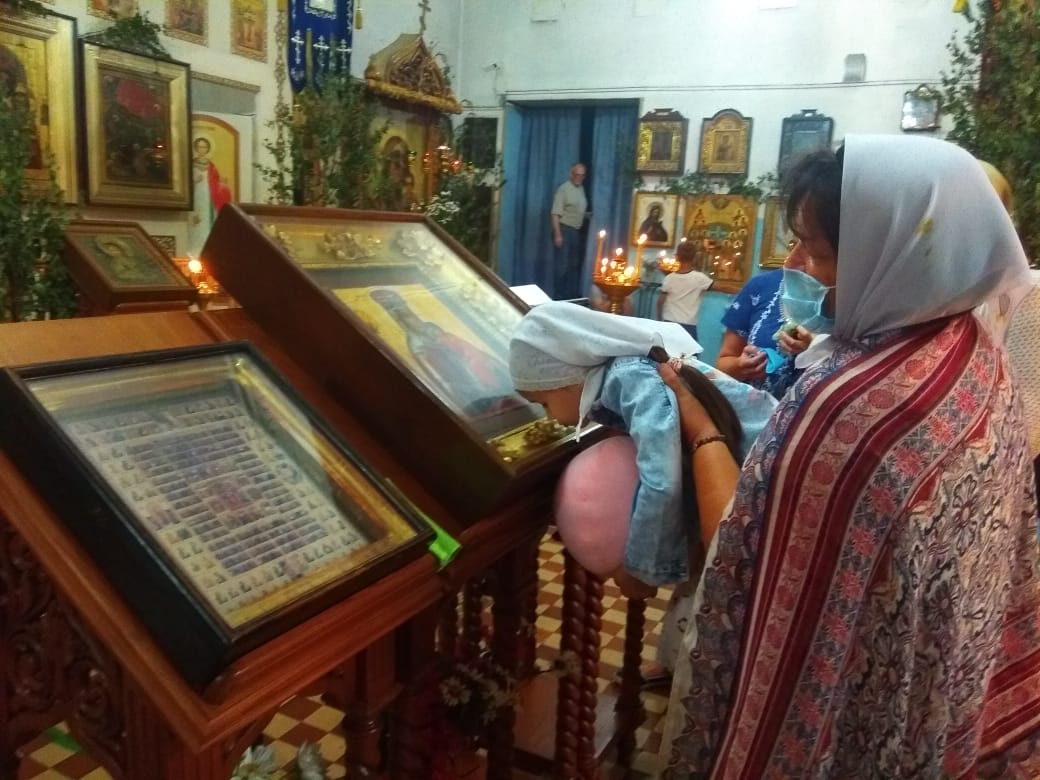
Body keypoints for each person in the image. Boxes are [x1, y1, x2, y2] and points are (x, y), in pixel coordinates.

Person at [659, 136, 1040, 778]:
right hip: (939, 693)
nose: (801, 266)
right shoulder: (971, 349)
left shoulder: (852, 407)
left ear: (895, 251)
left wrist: (701, 428)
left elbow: (745, 553)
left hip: (851, 725)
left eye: (819, 250)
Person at [509, 302, 776, 599]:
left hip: (770, 463)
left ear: (564, 380)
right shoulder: (622, 376)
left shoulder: (630, 379)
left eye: (544, 403)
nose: (549, 417)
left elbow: (662, 478)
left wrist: (642, 570)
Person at [716, 267, 812, 397]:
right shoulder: (761, 285)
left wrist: (815, 350)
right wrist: (740, 366)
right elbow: (723, 362)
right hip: (755, 405)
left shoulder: (839, 298)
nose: (795, 261)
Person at [657, 242, 713, 340]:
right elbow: (723, 288)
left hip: (669, 322)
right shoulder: (699, 278)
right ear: (695, 258)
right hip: (688, 324)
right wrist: (740, 290)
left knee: (668, 349)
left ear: (677, 257)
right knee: (688, 350)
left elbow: (660, 302)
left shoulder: (669, 278)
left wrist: (659, 320)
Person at [550, 163, 589, 299]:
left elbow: (575, 209)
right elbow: (555, 214)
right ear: (571, 174)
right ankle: (558, 297)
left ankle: (569, 296)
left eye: (582, 175)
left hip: (575, 231)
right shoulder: (563, 189)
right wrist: (558, 235)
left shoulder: (581, 189)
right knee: (562, 266)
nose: (579, 178)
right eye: (577, 175)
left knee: (573, 266)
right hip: (564, 230)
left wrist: (586, 215)